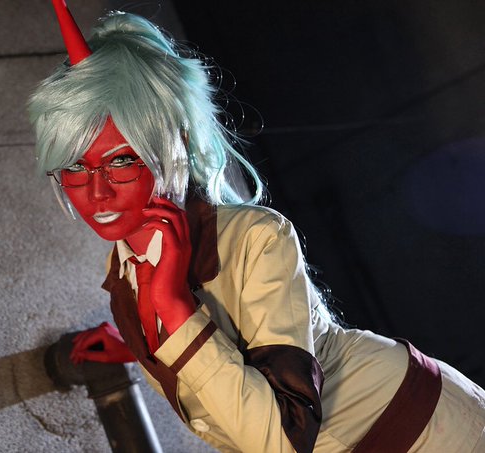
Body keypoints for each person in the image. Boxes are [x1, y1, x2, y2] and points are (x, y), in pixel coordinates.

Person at [28, 2, 485, 452]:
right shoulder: (124, 272)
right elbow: (225, 340)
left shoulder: (256, 237)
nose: (97, 193)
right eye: (74, 167)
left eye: (121, 161)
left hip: (428, 428)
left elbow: (282, 439)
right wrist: (145, 344)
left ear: (174, 145)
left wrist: (174, 308)